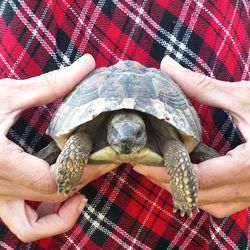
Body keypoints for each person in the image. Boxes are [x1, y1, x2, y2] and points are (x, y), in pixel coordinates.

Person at [0, 1, 249, 248]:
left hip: (221, 197)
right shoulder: (84, 137)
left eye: (137, 133)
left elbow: (178, 149)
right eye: (117, 134)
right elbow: (76, 139)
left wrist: (185, 187)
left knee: (178, 151)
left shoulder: (169, 143)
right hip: (18, 182)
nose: (125, 140)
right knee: (75, 143)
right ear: (109, 128)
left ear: (144, 128)